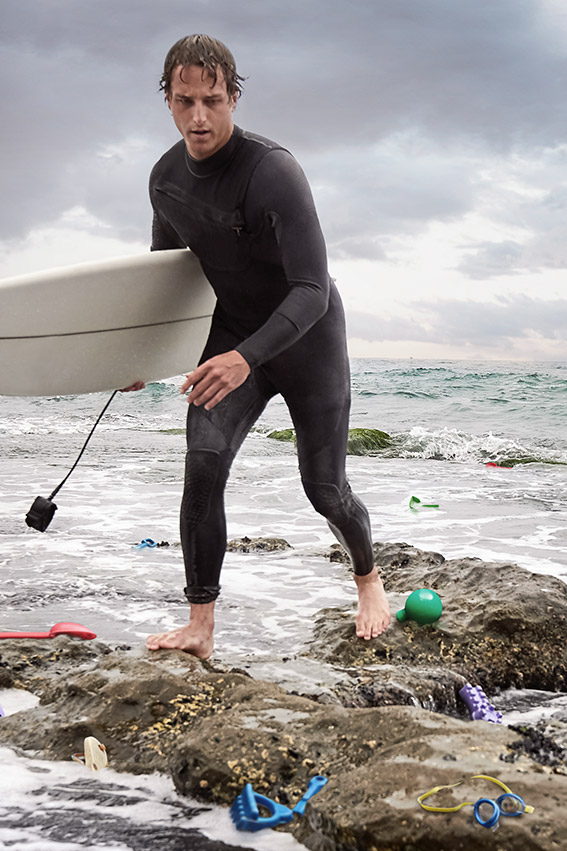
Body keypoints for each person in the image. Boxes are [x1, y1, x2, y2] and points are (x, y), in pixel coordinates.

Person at [135, 33, 386, 659]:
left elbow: (312, 289)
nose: (198, 117)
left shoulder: (272, 170)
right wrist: (140, 355)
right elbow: (166, 280)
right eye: (185, 101)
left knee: (324, 490)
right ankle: (199, 626)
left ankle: (368, 580)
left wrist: (246, 357)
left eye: (212, 101)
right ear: (167, 100)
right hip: (229, 338)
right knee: (203, 464)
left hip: (306, 340)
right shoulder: (166, 179)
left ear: (234, 98)